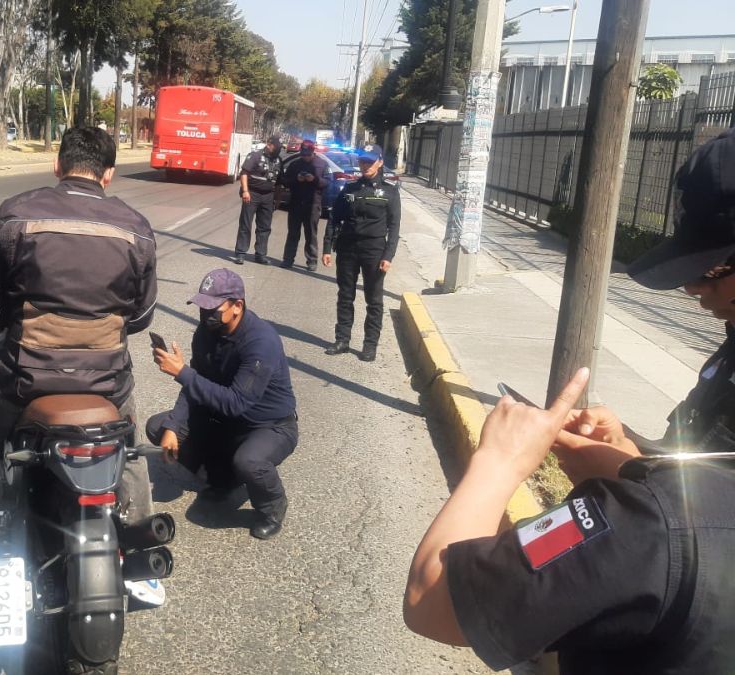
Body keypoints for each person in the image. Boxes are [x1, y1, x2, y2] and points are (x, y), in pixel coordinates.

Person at [404, 129, 735, 673]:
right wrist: (635, 464)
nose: (692, 289)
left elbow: (432, 600)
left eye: (710, 269)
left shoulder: (648, 531)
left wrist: (498, 462)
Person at [0, 127, 158, 607]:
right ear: (108, 174)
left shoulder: (18, 212)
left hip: (24, 377)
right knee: (130, 446)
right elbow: (141, 318)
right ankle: (141, 558)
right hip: (106, 380)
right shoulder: (136, 227)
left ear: (58, 166)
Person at [147, 269, 298, 540]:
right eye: (202, 308)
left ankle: (272, 507)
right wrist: (174, 424)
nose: (206, 315)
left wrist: (182, 373)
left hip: (269, 426)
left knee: (249, 460)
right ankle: (223, 479)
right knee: (159, 426)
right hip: (226, 422)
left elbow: (236, 403)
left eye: (212, 308)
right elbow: (196, 385)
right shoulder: (206, 333)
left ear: (237, 306)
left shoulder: (260, 343)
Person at [322, 145, 400, 363]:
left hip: (374, 250)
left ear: (380, 162)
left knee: (373, 300)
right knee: (345, 296)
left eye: (370, 161)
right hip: (348, 248)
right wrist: (327, 248)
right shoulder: (350, 189)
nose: (365, 165)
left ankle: (369, 345)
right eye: (363, 161)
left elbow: (394, 227)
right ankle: (342, 340)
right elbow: (334, 219)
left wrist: (388, 256)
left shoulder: (390, 192)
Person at [280, 139, 330, 271]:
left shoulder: (322, 164)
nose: (305, 157)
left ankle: (312, 261)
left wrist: (315, 180)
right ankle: (288, 259)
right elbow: (285, 181)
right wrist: (296, 179)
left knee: (311, 234)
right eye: (303, 154)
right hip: (296, 203)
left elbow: (327, 182)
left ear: (313, 152)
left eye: (308, 154)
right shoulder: (295, 164)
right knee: (293, 233)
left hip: (313, 204)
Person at [234, 136, 283, 265]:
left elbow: (279, 183)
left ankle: (260, 254)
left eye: (279, 148)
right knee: (246, 224)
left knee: (265, 227)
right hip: (252, 194)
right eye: (276, 147)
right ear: (269, 144)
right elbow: (244, 173)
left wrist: (277, 199)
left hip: (268, 196)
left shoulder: (278, 160)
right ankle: (240, 253)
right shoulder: (255, 156)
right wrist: (245, 191)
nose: (277, 150)